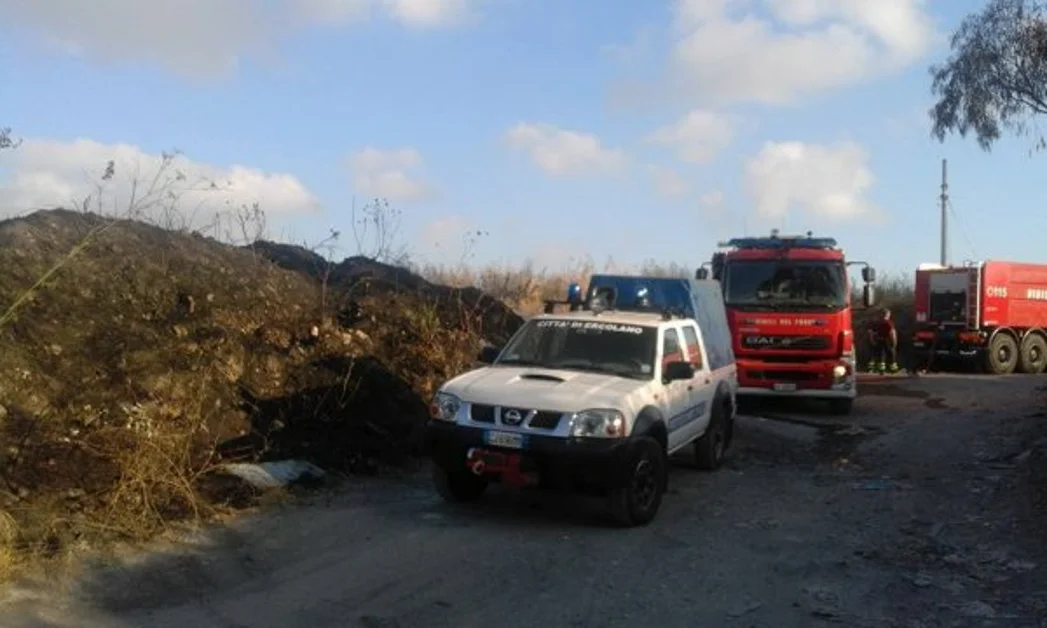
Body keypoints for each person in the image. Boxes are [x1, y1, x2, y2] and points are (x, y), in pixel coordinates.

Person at [866, 308, 900, 374]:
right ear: (887, 314)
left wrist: (872, 340)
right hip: (887, 340)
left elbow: (870, 332)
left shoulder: (877, 323)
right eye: (889, 314)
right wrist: (894, 341)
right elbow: (892, 333)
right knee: (891, 355)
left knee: (880, 355)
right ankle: (893, 370)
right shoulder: (889, 323)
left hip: (878, 340)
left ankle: (881, 370)